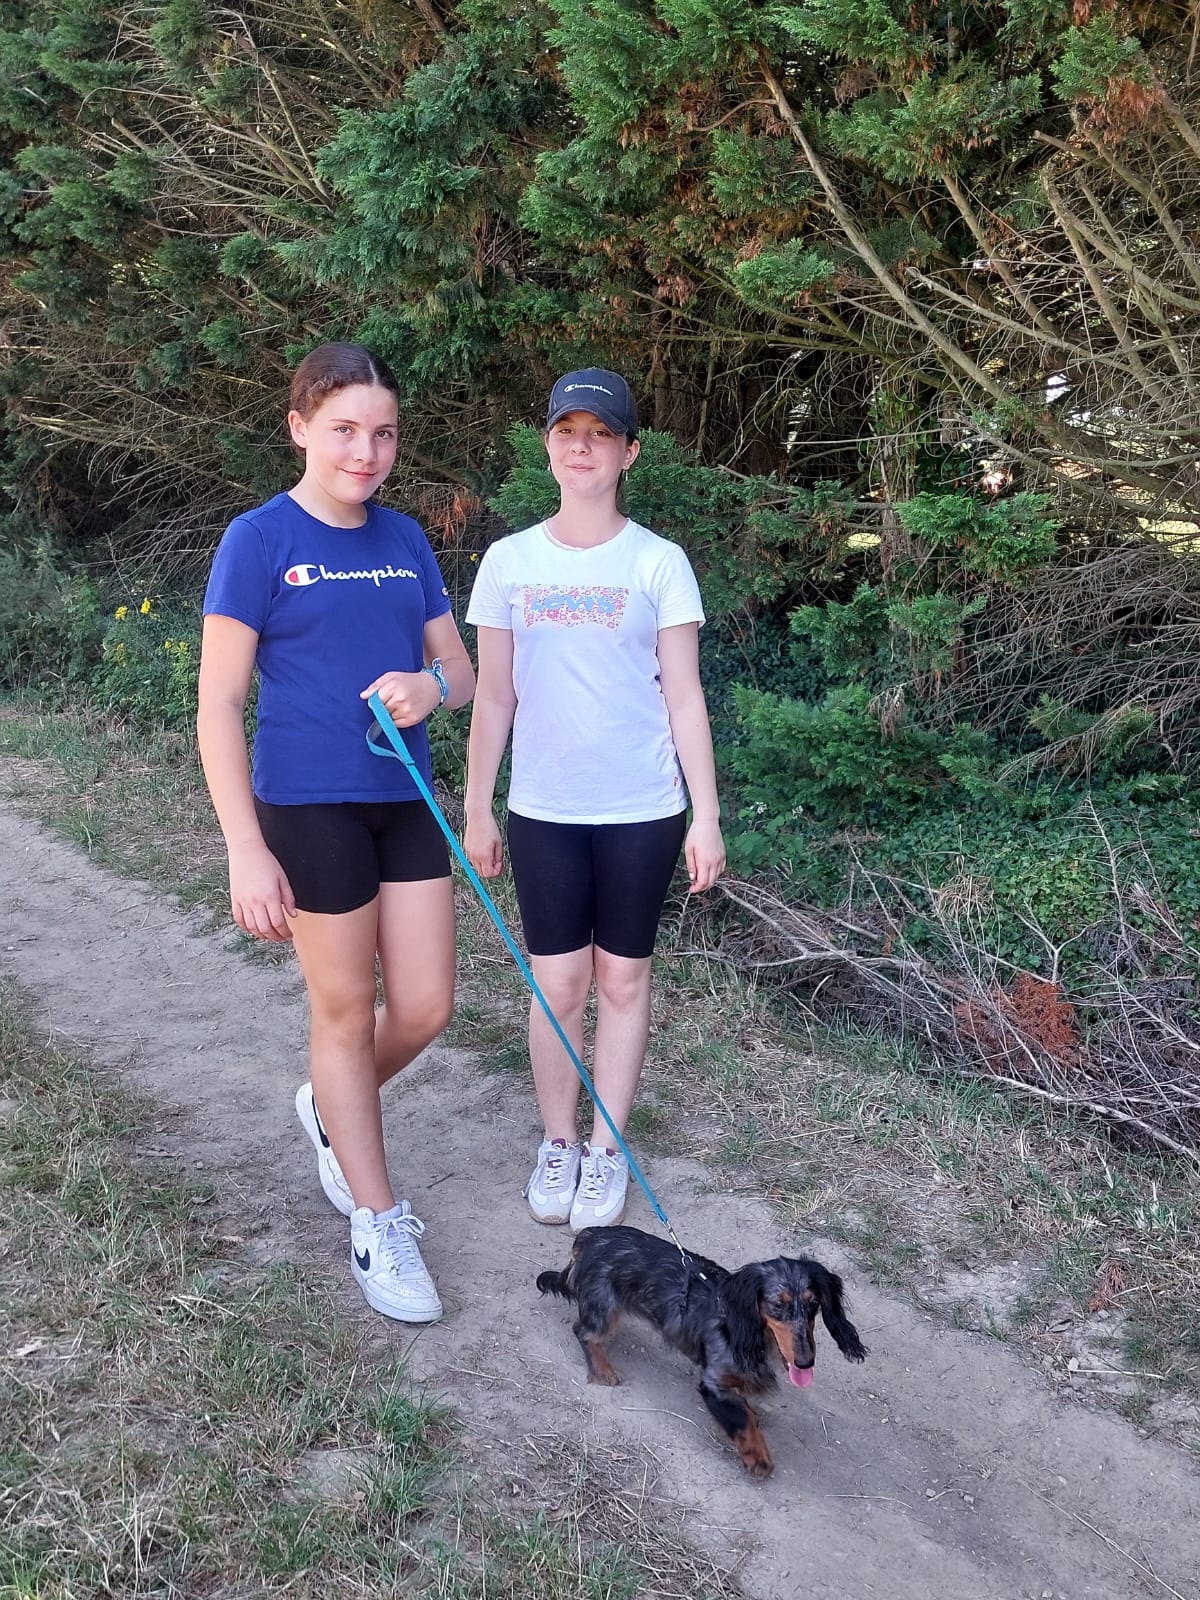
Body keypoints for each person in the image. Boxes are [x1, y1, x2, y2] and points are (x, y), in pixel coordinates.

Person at [197, 342, 474, 1323]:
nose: (366, 452)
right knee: (346, 1013)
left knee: (427, 1006)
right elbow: (218, 704)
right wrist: (245, 847)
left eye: (383, 433)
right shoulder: (259, 539)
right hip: (308, 805)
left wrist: (430, 687)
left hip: (405, 798)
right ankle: (376, 1218)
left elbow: (461, 670)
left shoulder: (406, 538)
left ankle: (327, 1103)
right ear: (300, 428)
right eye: (345, 429)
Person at [463, 368, 725, 1231]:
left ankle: (606, 1149)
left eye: (601, 434)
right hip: (544, 810)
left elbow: (684, 697)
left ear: (629, 453)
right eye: (567, 432)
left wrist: (706, 815)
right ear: (548, 446)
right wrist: (477, 805)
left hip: (643, 810)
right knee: (558, 983)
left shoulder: (658, 562)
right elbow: (493, 696)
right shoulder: (509, 562)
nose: (582, 448)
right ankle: (559, 1142)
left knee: (622, 977)